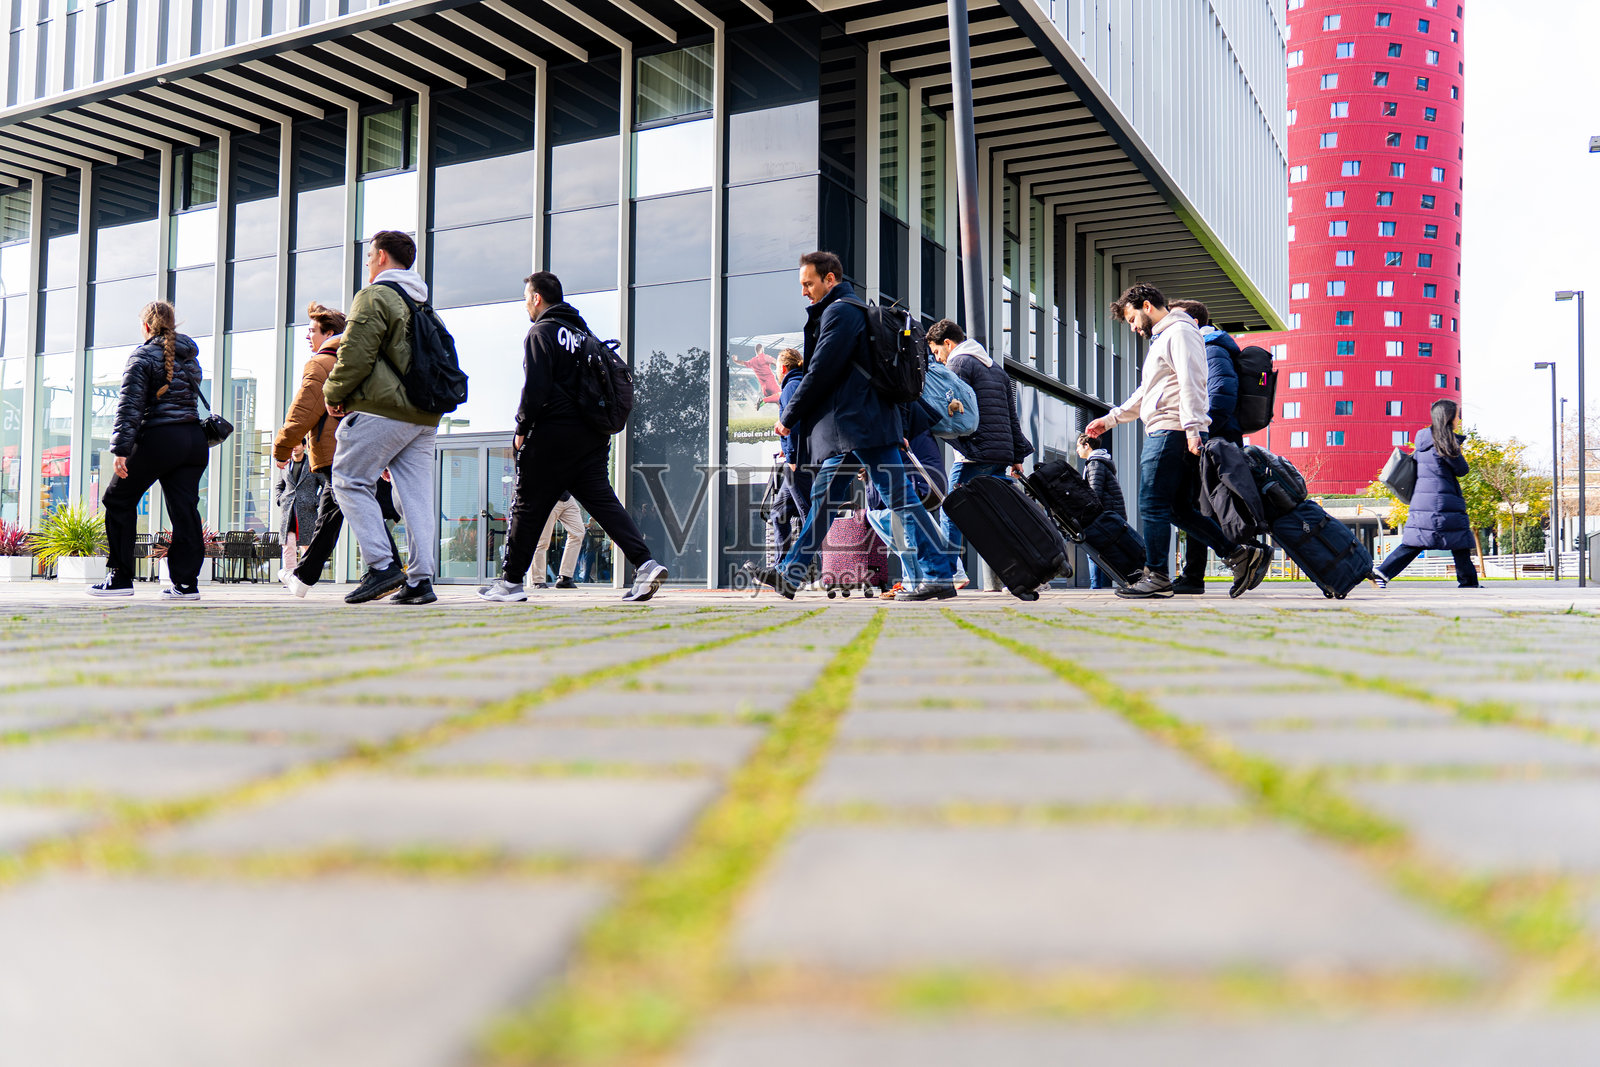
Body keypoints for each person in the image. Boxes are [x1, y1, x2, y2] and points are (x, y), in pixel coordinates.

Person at [749, 251, 957, 601]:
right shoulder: (845, 310)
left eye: (808, 283)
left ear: (830, 279)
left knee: (901, 499)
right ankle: (790, 575)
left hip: (863, 427)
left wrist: (788, 418)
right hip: (854, 428)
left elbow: (820, 372)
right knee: (824, 501)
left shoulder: (842, 311)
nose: (804, 291)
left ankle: (938, 574)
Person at [478, 271, 669, 603]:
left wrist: (521, 429)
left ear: (537, 298)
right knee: (604, 503)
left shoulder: (542, 332)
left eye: (526, 298)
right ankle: (645, 564)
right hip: (592, 436)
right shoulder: (583, 334)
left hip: (553, 434)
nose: (525, 304)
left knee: (526, 504)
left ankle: (509, 583)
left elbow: (535, 389)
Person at [1083, 283, 1268, 599]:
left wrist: (1195, 430)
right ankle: (1240, 555)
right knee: (1177, 509)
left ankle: (1156, 575)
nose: (1132, 327)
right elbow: (1149, 392)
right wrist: (1111, 418)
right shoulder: (1164, 337)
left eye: (1131, 319)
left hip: (1172, 431)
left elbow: (1193, 381)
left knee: (1152, 503)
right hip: (1174, 430)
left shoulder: (1179, 332)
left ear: (1147, 306)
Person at [324, 231, 441, 606]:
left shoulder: (374, 295)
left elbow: (355, 353)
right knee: (417, 497)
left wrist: (333, 393)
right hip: (425, 414)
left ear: (384, 257)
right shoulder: (423, 303)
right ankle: (421, 581)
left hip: (385, 408)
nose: (369, 261)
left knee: (348, 479)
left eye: (371, 254)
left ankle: (381, 566)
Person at [93, 300, 207, 601]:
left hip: (160, 438)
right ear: (172, 324)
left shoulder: (142, 356)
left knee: (117, 499)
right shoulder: (190, 357)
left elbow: (130, 406)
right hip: (194, 440)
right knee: (185, 510)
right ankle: (185, 584)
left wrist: (121, 449)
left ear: (145, 326)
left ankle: (119, 577)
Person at [925, 318, 1033, 590]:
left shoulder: (959, 364)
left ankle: (950, 574)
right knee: (993, 517)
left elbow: (956, 408)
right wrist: (1017, 456)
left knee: (951, 511)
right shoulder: (995, 369)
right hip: (1000, 454)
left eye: (937, 352)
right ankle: (1024, 572)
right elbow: (1012, 416)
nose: (938, 359)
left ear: (948, 343)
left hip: (974, 455)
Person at [1167, 298, 1249, 594]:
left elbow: (1221, 396)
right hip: (1212, 441)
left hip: (1213, 443)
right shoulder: (1205, 347)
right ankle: (1195, 575)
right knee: (1199, 508)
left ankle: (1240, 560)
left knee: (1202, 509)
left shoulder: (1211, 349)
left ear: (1193, 322)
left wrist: (1198, 432)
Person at [1374, 399, 1479, 588]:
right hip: (1443, 501)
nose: (1458, 419)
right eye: (1457, 415)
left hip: (1423, 500)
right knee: (1459, 540)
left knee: (1417, 542)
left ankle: (1382, 573)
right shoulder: (1445, 441)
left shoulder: (1422, 439)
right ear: (1449, 418)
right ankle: (1468, 582)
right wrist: (1458, 447)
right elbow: (1462, 469)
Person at [769, 347, 810, 561]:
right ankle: (780, 566)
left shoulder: (790, 387)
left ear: (783, 368)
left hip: (798, 463)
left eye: (776, 367)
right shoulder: (798, 384)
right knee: (778, 513)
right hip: (795, 459)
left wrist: (792, 457)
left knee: (808, 515)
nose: (776, 372)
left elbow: (795, 424)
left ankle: (821, 569)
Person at [1076, 431, 1126, 590]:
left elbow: (1094, 493)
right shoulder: (1099, 462)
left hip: (1104, 515)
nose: (1077, 450)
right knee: (1102, 552)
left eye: (1078, 446)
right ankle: (1100, 586)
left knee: (1093, 551)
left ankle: (1096, 587)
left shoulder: (1094, 464)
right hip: (1109, 513)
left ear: (1086, 445)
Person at [275, 439, 319, 573]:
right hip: (288, 511)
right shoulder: (285, 465)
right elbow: (279, 486)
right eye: (292, 445)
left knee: (307, 546)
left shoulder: (312, 464)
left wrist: (316, 501)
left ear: (304, 446)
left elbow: (326, 485)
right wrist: (280, 499)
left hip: (307, 510)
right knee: (288, 546)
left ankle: (305, 576)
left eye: (297, 444)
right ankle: (289, 575)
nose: (294, 447)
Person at [530, 492, 585, 589]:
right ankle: (537, 580)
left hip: (567, 498)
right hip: (548, 497)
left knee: (578, 532)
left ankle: (565, 577)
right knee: (543, 540)